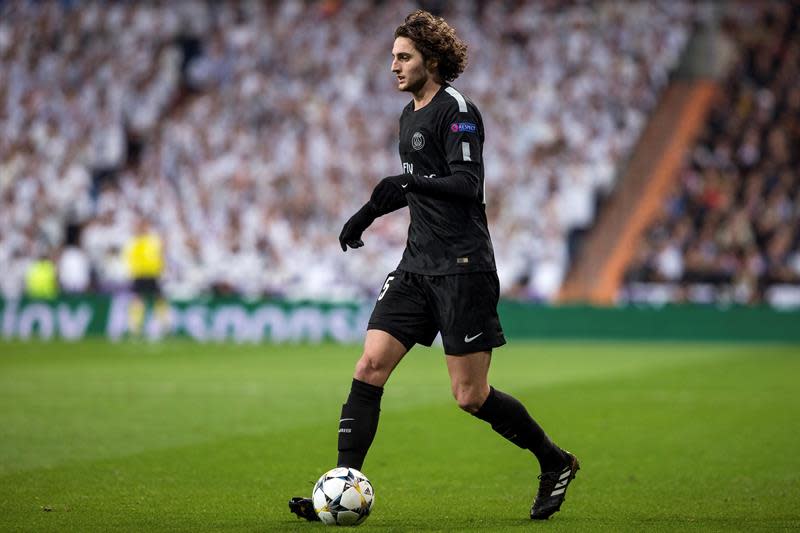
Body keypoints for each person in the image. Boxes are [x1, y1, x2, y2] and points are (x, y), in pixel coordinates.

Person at [290, 10, 579, 521]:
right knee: (369, 366)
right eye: (393, 57)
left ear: (432, 59)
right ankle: (339, 486)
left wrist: (404, 185)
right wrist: (366, 215)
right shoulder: (408, 116)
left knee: (470, 396)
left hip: (463, 266)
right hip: (416, 265)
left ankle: (553, 461)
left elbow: (466, 185)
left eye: (403, 57)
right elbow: (415, 183)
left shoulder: (458, 111)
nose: (394, 66)